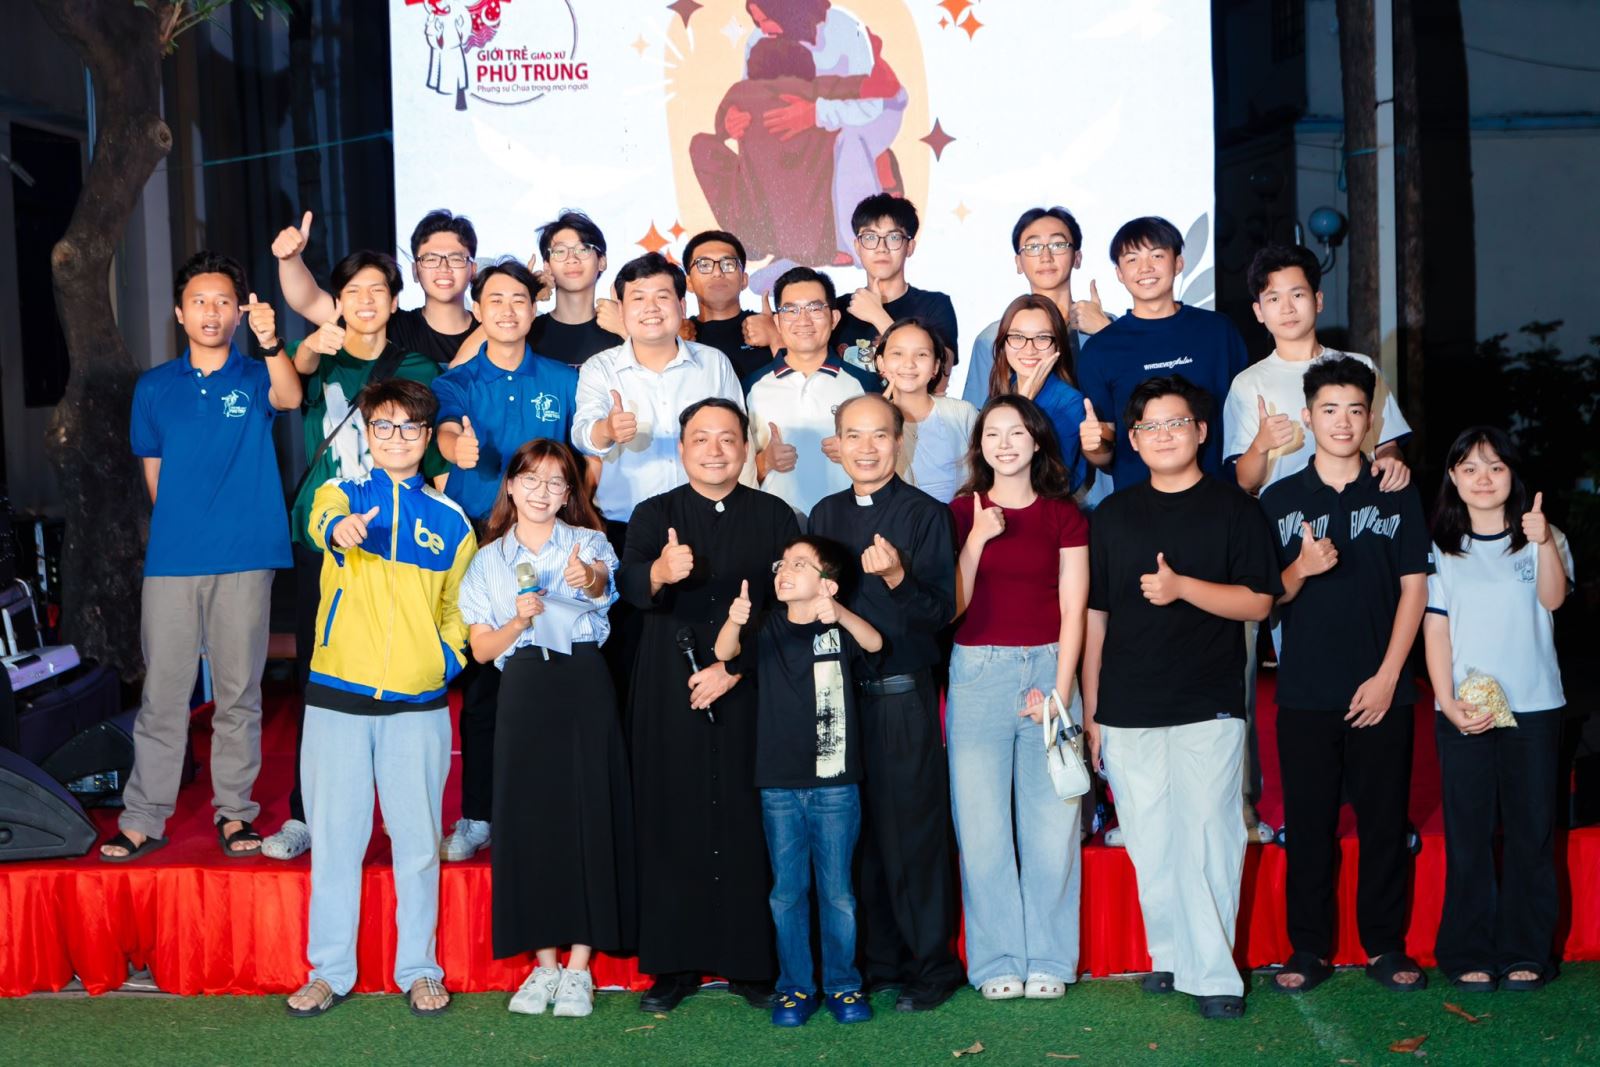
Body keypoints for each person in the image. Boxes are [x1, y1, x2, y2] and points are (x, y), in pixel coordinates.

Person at [1081, 375, 1279, 1020]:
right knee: (1149, 838)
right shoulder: (1112, 516)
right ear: (1134, 441)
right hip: (1127, 703)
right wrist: (1092, 709)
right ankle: (1170, 953)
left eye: (1176, 423)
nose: (1163, 435)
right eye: (1150, 427)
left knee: (1211, 835)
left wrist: (1183, 588)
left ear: (1200, 431)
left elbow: (1259, 601)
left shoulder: (1235, 510)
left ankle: (1215, 974)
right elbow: (1096, 618)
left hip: (1208, 699)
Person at [284, 377, 475, 1019]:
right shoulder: (342, 493)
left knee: (418, 844)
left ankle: (419, 969)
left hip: (417, 706)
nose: (397, 438)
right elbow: (320, 522)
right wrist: (340, 531)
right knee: (336, 842)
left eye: (410, 428)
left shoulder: (452, 522)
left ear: (427, 438)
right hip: (337, 698)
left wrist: (443, 660)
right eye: (384, 426)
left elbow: (459, 610)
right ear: (368, 433)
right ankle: (329, 971)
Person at [101, 252, 302, 862]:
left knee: (239, 694)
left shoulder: (256, 375)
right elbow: (155, 476)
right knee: (163, 695)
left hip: (246, 556)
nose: (211, 312)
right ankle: (144, 817)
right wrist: (188, 529)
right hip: (173, 560)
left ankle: (235, 813)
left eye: (223, 302)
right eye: (199, 302)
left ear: (239, 313)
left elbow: (291, 396)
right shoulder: (154, 387)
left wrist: (272, 342)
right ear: (179, 313)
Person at [619, 399, 801, 1013]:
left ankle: (751, 962)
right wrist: (660, 572)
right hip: (668, 682)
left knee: (748, 817)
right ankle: (672, 965)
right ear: (681, 449)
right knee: (670, 812)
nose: (715, 450)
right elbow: (628, 586)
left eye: (728, 439)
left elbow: (788, 605)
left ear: (747, 449)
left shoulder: (774, 515)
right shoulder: (654, 513)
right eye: (701, 439)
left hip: (750, 679)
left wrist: (735, 669)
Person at [264, 250, 446, 861]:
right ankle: (306, 814)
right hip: (325, 534)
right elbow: (291, 382)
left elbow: (433, 452)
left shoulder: (417, 365)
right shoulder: (319, 353)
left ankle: (398, 815)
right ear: (337, 300)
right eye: (354, 291)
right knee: (318, 674)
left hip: (397, 539)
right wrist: (305, 344)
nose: (366, 301)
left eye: (378, 291)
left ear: (396, 301)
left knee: (398, 667)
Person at [1258, 357, 1432, 996]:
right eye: (1329, 409)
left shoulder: (1396, 491)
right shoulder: (1279, 500)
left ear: (1371, 420)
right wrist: (1300, 569)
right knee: (1309, 827)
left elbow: (1415, 589)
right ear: (1307, 418)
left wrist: (1389, 677)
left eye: (1356, 410)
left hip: (1383, 689)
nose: (1342, 421)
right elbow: (1265, 598)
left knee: (1385, 823)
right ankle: (1309, 948)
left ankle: (1385, 945)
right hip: (1306, 692)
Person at [459, 440, 634, 1019]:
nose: (542, 492)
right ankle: (545, 965)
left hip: (583, 681)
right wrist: (517, 620)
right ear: (510, 486)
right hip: (524, 685)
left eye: (556, 482)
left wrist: (587, 578)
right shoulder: (488, 560)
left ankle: (580, 968)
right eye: (531, 480)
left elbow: (602, 585)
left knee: (589, 811)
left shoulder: (589, 543)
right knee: (528, 818)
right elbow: (482, 651)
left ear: (568, 494)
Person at [809, 393, 965, 1011]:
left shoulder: (927, 515)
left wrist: (898, 577)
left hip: (903, 696)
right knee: (858, 833)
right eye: (854, 435)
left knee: (915, 834)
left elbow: (940, 614)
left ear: (900, 441)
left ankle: (933, 966)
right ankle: (878, 963)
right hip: (840, 698)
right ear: (838, 444)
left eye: (879, 435)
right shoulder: (824, 513)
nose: (867, 448)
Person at [430, 258, 580, 862]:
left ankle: (553, 810)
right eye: (495, 299)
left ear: (534, 308)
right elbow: (445, 431)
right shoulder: (458, 383)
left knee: (553, 678)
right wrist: (455, 448)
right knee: (484, 688)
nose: (508, 310)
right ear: (478, 309)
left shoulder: (563, 380)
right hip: (483, 544)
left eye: (519, 299)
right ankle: (478, 815)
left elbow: (584, 451)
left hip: (550, 542)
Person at [948, 395, 1089, 1002]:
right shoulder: (960, 512)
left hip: (1050, 669)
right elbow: (949, 607)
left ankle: (1051, 959)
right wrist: (977, 539)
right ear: (979, 446)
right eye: (992, 434)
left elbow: (1074, 607)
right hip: (978, 672)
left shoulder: (1065, 515)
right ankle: (997, 960)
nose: (1004, 444)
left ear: (1037, 442)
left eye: (1016, 433)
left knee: (1053, 824)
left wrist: (1060, 693)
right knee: (982, 827)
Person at [1425, 426, 1573, 993]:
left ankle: (1526, 952)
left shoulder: (1542, 534)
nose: (1483, 479)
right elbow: (1435, 629)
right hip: (1464, 710)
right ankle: (1468, 951)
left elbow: (1553, 599)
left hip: (1535, 706)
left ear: (1512, 475)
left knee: (1531, 832)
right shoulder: (1440, 547)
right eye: (1469, 468)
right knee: (1469, 834)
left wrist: (1543, 541)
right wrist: (1446, 702)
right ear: (1453, 479)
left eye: (1495, 467)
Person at [714, 536, 882, 1027]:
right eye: (782, 564)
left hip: (835, 783)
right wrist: (735, 619)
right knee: (787, 892)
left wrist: (839, 613)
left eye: (800, 564)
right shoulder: (766, 626)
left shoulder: (838, 627)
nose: (785, 571)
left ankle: (844, 985)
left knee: (838, 893)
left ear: (828, 583)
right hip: (779, 784)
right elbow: (725, 652)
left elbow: (875, 644)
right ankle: (795, 988)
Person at [1224, 244, 1411, 494]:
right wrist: (1261, 445)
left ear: (1318, 300)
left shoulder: (1359, 366)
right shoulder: (1247, 383)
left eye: (1297, 295)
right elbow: (1246, 482)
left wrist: (1392, 460)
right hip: (1284, 514)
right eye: (1274, 299)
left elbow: (1387, 443)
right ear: (1259, 311)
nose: (1287, 308)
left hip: (1359, 507)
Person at [1076, 216, 1248, 487]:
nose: (1145, 268)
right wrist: (1094, 446)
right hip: (1138, 501)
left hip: (1217, 494)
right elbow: (1105, 456)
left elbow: (1244, 421)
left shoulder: (1218, 331)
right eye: (1132, 259)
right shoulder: (1100, 349)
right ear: (1119, 273)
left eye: (1157, 255)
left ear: (1178, 263)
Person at [740, 0, 908, 265]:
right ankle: (796, 241)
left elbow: (870, 103)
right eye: (757, 21)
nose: (763, 28)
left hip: (873, 111)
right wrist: (737, 117)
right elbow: (749, 94)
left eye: (767, 19)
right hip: (804, 119)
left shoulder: (844, 28)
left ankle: (855, 243)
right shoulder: (759, 39)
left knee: (846, 142)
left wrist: (815, 114)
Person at [690, 41, 874, 277]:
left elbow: (719, 128)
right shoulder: (816, 90)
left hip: (754, 227)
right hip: (809, 239)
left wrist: (726, 122)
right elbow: (868, 86)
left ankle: (750, 241)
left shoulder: (742, 93)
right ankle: (812, 249)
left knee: (701, 144)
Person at [745, 266, 873, 521]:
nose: (803, 320)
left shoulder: (864, 385)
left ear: (834, 318)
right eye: (791, 310)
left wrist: (856, 453)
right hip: (774, 524)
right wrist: (765, 461)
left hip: (849, 523)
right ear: (777, 322)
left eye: (815, 308)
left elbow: (888, 459)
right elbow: (732, 469)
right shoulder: (752, 386)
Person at [273, 209, 480, 366]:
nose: (443, 268)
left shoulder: (491, 329)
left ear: (473, 270)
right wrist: (290, 260)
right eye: (431, 259)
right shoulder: (388, 324)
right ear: (415, 271)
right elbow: (309, 302)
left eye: (456, 259)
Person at [961, 206, 1111, 407]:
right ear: (1019, 262)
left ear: (1077, 258)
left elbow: (1139, 395)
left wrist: (1108, 332)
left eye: (1058, 244)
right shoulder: (993, 338)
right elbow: (976, 416)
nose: (1046, 256)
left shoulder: (1106, 325)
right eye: (1033, 247)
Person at [829, 194, 958, 382]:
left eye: (894, 237)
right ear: (857, 246)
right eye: (870, 237)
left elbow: (939, 380)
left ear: (910, 247)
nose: (881, 248)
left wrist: (878, 316)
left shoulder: (934, 305)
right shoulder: (837, 309)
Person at [983, 295, 1091, 496]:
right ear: (1004, 343)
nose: (1029, 349)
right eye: (1017, 337)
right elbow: (983, 468)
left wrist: (1024, 404)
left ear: (1057, 345)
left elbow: (1052, 480)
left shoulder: (1069, 403)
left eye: (1042, 338)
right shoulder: (999, 393)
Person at [875, 317, 977, 505]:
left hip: (961, 521)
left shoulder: (963, 414)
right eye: (897, 353)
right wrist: (874, 419)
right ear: (881, 363)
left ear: (936, 366)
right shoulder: (870, 423)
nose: (909, 364)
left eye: (921, 355)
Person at [525, 210, 623, 367]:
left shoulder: (619, 328)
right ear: (547, 266)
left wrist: (626, 331)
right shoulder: (526, 330)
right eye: (560, 251)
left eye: (583, 249)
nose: (572, 259)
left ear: (602, 262)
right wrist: (523, 296)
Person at [681, 230, 772, 380]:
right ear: (689, 283)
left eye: (728, 264)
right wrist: (671, 346)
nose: (717, 272)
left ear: (744, 280)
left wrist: (777, 339)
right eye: (704, 265)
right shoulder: (679, 336)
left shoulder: (775, 326)